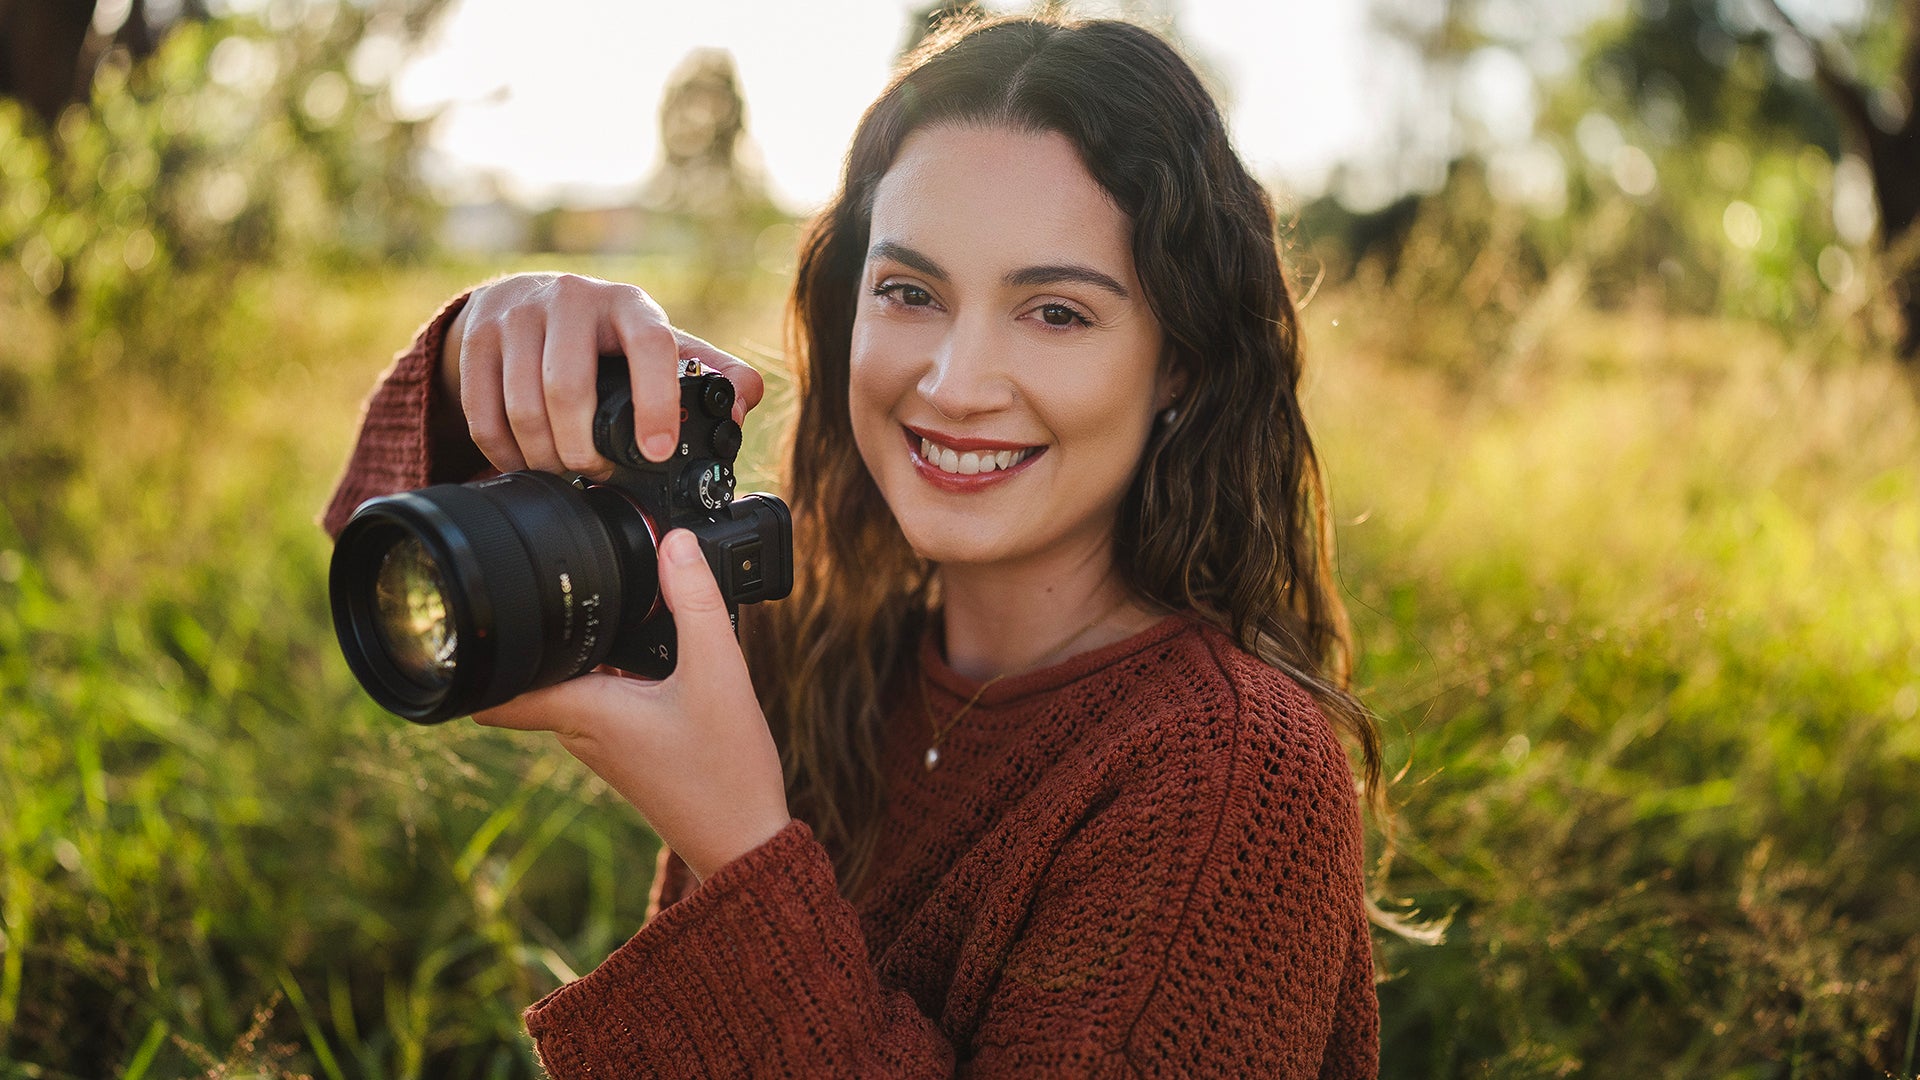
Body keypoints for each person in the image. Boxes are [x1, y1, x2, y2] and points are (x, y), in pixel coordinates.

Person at [325, 14, 1382, 1077]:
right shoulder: (811, 647)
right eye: (910, 293)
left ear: (1182, 367)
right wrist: (486, 355)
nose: (956, 386)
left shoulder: (1235, 774)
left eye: (1056, 313)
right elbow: (384, 560)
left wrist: (742, 851)